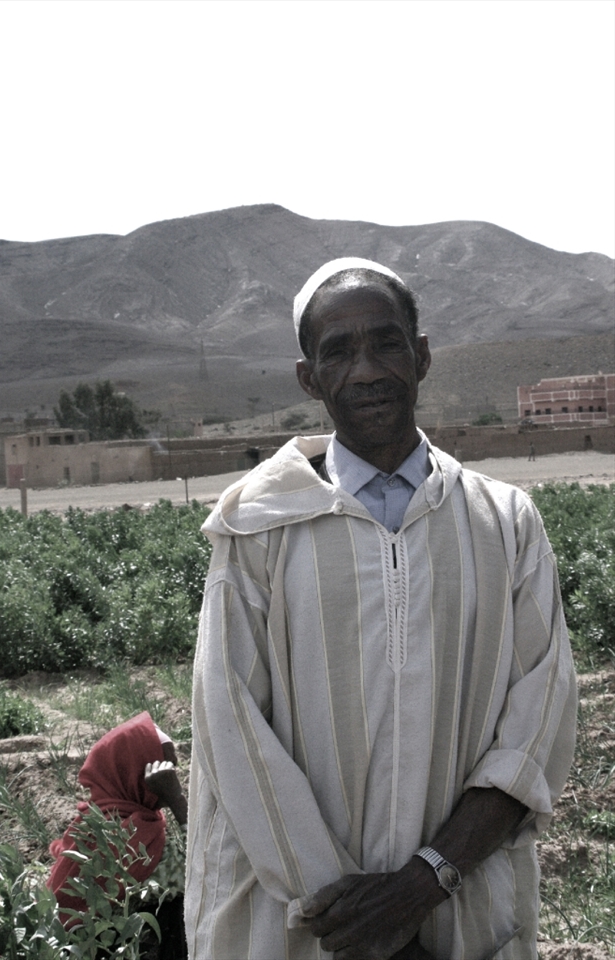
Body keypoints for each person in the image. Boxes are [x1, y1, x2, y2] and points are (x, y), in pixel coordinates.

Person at [184, 258, 577, 960]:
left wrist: (421, 886)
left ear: (420, 356)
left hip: (460, 915)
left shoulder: (504, 522)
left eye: (386, 343)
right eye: (338, 351)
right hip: (303, 929)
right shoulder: (257, 529)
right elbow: (231, 729)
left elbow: (537, 727)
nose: (366, 370)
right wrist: (364, 923)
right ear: (308, 378)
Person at [48, 711, 188, 957]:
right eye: (168, 766)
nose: (174, 773)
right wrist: (177, 801)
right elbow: (204, 873)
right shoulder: (135, 835)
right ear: (137, 773)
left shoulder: (91, 821)